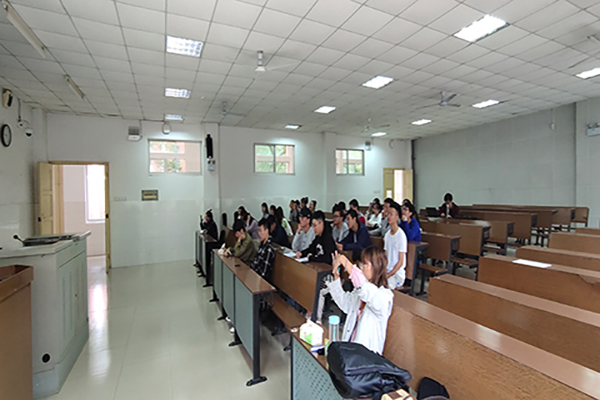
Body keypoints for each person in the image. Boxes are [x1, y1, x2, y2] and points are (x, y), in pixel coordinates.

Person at [328, 247, 394, 354]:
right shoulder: (359, 291)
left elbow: (366, 290)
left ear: (377, 267)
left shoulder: (384, 296)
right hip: (350, 351)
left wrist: (346, 262)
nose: (361, 268)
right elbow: (345, 303)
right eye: (361, 264)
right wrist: (336, 276)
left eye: (365, 265)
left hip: (366, 357)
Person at [384, 202, 408, 290]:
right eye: (388, 214)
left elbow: (400, 262)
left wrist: (388, 275)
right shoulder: (387, 235)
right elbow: (385, 257)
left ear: (397, 217)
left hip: (397, 275)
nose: (389, 216)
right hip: (388, 271)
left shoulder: (401, 235)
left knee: (386, 286)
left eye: (391, 214)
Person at [400, 200, 421, 288]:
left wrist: (405, 223)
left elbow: (409, 237)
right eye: (403, 209)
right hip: (405, 250)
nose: (403, 211)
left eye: (405, 209)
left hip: (414, 252)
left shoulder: (414, 224)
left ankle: (408, 281)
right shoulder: (402, 223)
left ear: (410, 213)